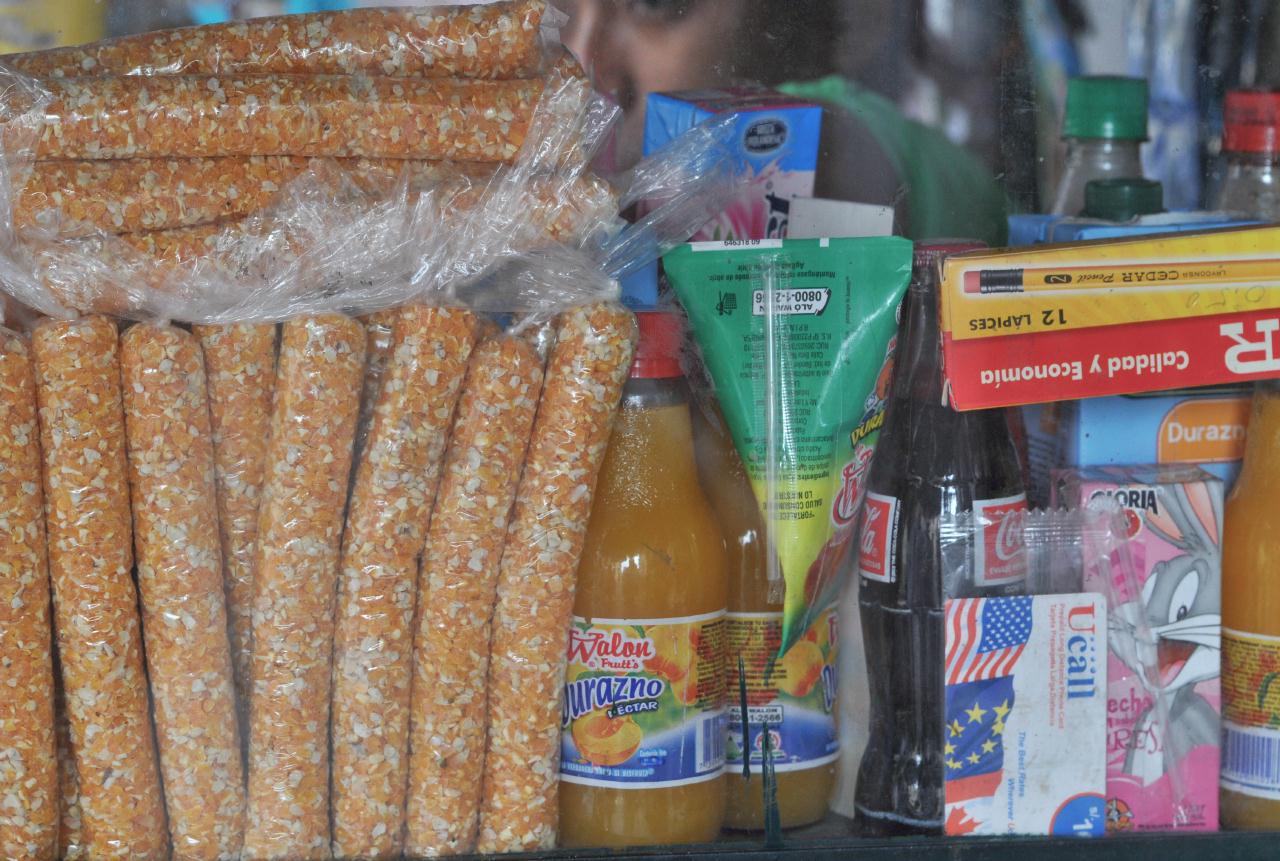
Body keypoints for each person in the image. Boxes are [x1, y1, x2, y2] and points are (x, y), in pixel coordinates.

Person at [559, 0, 1009, 244]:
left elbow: (804, 163)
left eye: (654, 4)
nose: (582, 59)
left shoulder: (835, 144)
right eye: (555, 7)